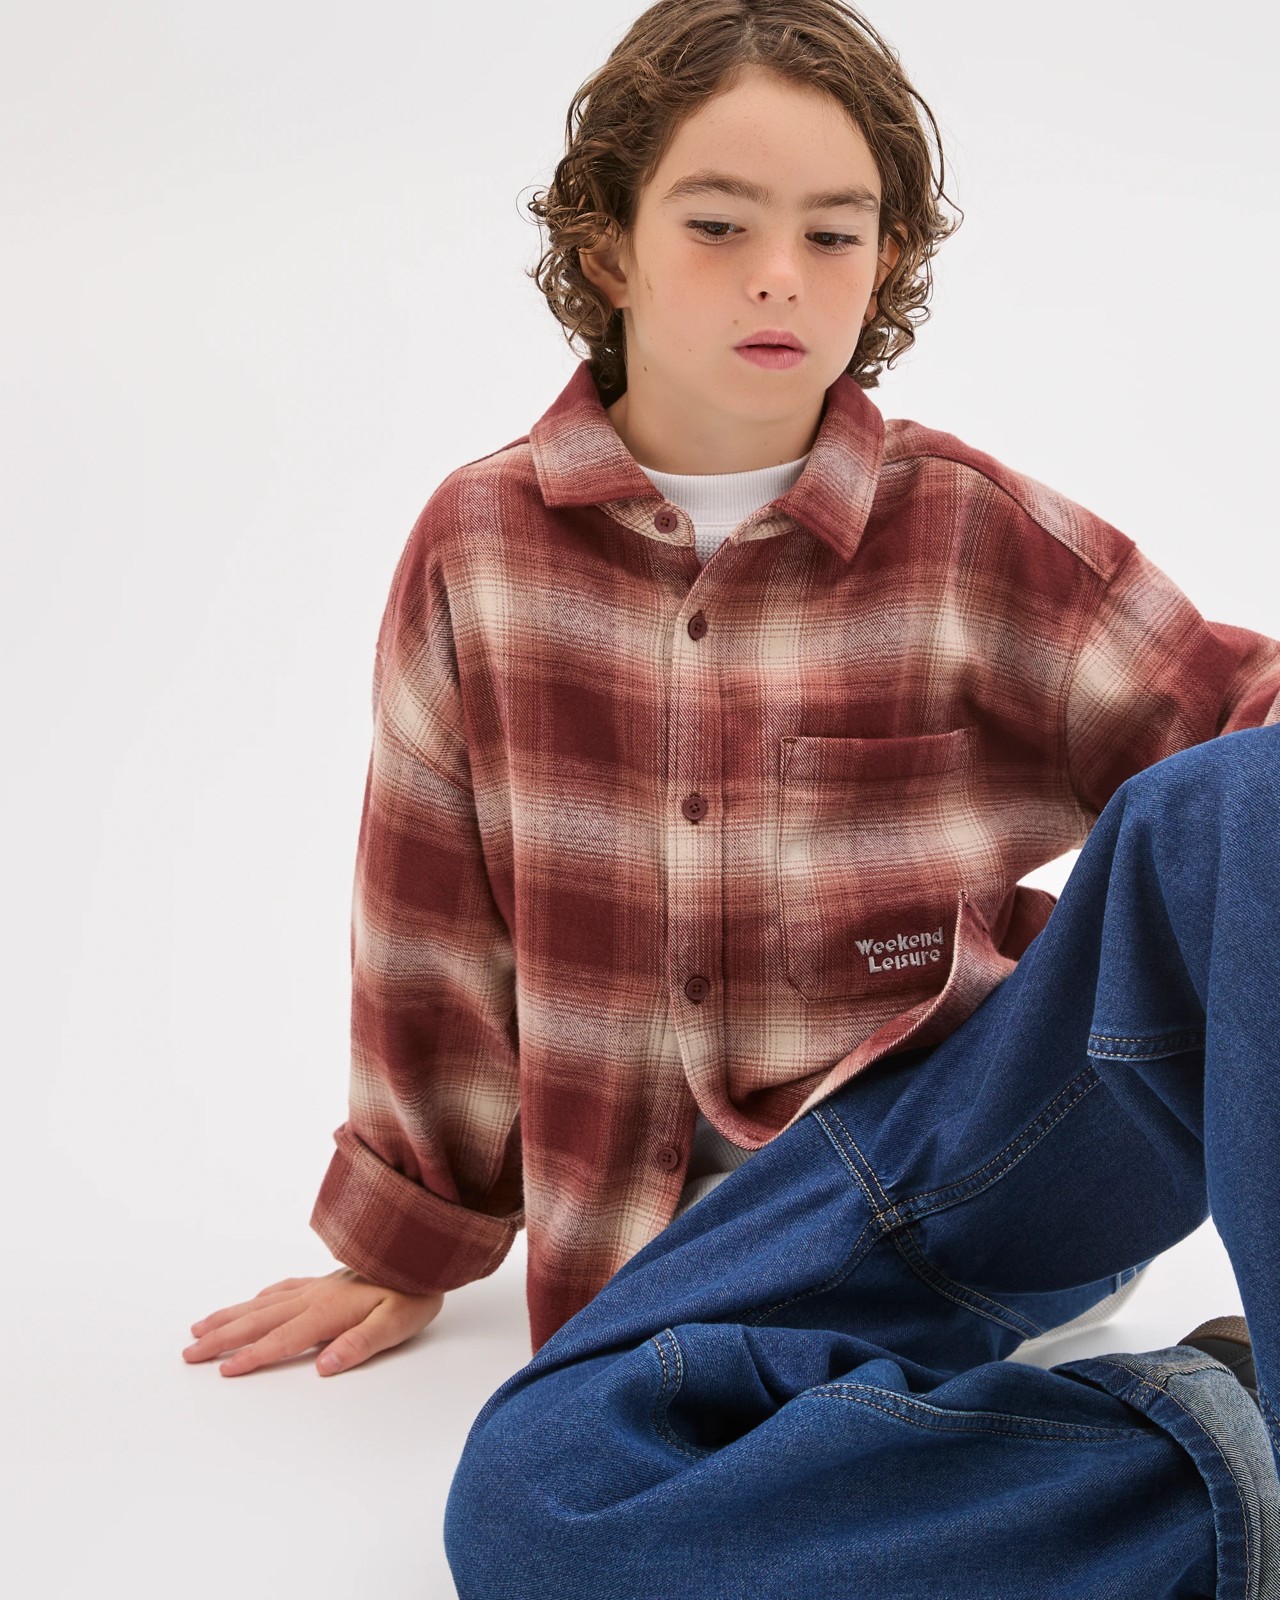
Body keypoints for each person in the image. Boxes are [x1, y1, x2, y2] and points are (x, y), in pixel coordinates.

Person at [185, 0, 1280, 1588]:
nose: (782, 274)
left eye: (834, 234)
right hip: (718, 1263)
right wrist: (412, 1232)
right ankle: (1229, 1448)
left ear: (885, 266)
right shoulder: (481, 549)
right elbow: (427, 916)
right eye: (719, 224)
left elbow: (1240, 751)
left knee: (1244, 801)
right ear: (609, 247)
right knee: (542, 1504)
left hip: (990, 1145)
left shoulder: (969, 531)